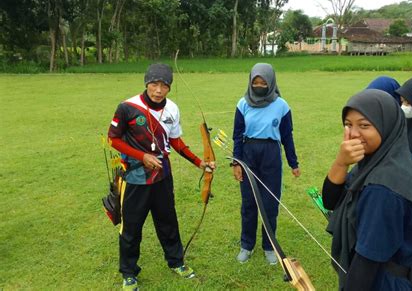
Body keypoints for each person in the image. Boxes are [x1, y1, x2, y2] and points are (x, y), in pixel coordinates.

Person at [108, 63, 215, 290]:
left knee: (167, 221)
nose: (158, 90)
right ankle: (129, 273)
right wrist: (142, 155)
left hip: (163, 176)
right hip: (135, 177)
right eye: (154, 84)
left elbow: (175, 141)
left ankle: (176, 262)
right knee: (131, 227)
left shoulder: (173, 109)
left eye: (164, 86)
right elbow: (113, 139)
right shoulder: (127, 107)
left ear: (169, 87)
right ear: (146, 84)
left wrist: (199, 162)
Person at [322, 89, 412, 290]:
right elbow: (329, 200)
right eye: (348, 124)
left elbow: (367, 262)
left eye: (364, 125)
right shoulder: (384, 159)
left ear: (386, 125)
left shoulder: (382, 189)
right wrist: (340, 163)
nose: (353, 133)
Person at [232, 63, 300, 265]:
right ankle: (247, 245)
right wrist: (236, 163)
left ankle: (269, 247)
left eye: (264, 82)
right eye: (256, 82)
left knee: (270, 204)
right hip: (248, 154)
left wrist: (293, 163)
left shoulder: (282, 105)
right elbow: (237, 135)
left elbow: (287, 137)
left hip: (271, 154)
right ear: (250, 81)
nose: (259, 85)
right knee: (249, 203)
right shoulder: (243, 104)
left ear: (271, 82)